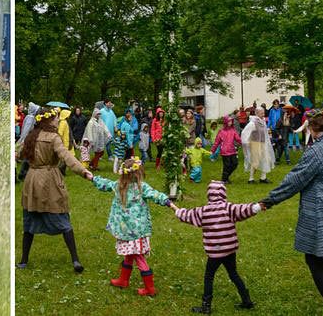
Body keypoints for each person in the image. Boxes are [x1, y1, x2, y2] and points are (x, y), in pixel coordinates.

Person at [259, 110, 323, 315]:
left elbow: (295, 180)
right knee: (319, 254)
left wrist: (270, 200)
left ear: (313, 129)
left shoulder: (318, 151)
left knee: (314, 258)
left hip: (320, 211)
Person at [17, 106, 93, 272]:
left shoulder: (32, 136)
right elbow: (66, 156)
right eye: (56, 118)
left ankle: (23, 261)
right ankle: (75, 260)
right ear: (48, 120)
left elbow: (19, 155)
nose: (58, 120)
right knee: (61, 218)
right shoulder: (53, 138)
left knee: (29, 222)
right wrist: (83, 171)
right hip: (49, 181)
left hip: (32, 181)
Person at [91, 157, 174, 296]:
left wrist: (93, 178)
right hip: (136, 232)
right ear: (138, 173)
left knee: (138, 257)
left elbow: (105, 184)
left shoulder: (119, 186)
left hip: (127, 232)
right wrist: (167, 201)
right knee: (130, 256)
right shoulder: (140, 187)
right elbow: (155, 195)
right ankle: (124, 280)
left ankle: (150, 289)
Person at [173, 181, 260, 313]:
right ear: (223, 194)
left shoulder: (203, 211)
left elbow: (187, 215)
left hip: (214, 252)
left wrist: (177, 210)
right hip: (229, 250)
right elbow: (244, 209)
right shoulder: (229, 208)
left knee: (209, 277)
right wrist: (257, 207)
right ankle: (247, 301)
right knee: (234, 274)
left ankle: (206, 306)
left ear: (209, 195)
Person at [242, 107, 275, 184]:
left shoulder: (262, 121)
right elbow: (245, 132)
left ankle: (263, 178)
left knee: (265, 158)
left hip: (263, 143)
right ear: (257, 113)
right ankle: (251, 178)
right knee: (255, 161)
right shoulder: (253, 122)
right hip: (255, 143)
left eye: (263, 113)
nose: (263, 114)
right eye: (261, 113)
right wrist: (246, 142)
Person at [212, 115, 242, 184]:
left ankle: (225, 178)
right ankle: (224, 179)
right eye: (229, 121)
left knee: (235, 164)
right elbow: (216, 142)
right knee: (227, 166)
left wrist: (244, 143)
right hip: (224, 152)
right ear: (225, 122)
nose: (230, 122)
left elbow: (238, 139)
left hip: (232, 150)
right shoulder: (221, 132)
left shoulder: (233, 130)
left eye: (231, 121)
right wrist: (213, 150)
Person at [16, 102, 39, 182]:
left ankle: (25, 174)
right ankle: (23, 174)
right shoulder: (30, 118)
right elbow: (26, 130)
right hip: (29, 140)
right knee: (28, 158)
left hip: (30, 139)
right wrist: (23, 140)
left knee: (29, 157)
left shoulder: (30, 117)